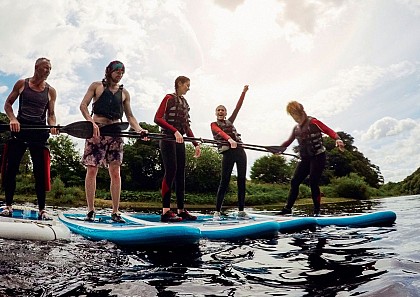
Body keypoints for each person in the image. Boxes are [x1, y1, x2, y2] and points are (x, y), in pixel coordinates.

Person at [80, 60, 147, 223]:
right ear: (109, 71)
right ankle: (90, 210)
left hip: (116, 132)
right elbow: (83, 106)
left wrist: (139, 130)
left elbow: (130, 116)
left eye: (122, 71)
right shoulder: (96, 86)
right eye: (117, 70)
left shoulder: (124, 93)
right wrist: (91, 122)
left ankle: (115, 212)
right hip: (97, 132)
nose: (120, 73)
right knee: (92, 170)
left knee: (116, 173)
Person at [1, 57, 58, 220]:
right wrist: (13, 119)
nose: (48, 71)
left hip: (39, 133)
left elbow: (51, 115)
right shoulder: (22, 84)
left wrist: (52, 126)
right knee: (11, 168)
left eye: (50, 69)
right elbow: (8, 104)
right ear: (36, 67)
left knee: (40, 173)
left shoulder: (51, 91)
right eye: (46, 68)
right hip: (20, 129)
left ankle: (42, 210)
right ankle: (8, 206)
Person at [277, 101, 344, 216]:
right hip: (305, 159)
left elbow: (328, 130)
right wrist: (277, 149)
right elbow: (287, 142)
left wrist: (337, 139)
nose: (294, 118)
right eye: (292, 115)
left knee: (313, 181)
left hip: (318, 156)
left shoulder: (313, 122)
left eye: (295, 114)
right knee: (294, 182)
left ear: (301, 112)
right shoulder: (296, 129)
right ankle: (287, 209)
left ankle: (317, 211)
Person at [154, 76, 201, 222]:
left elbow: (186, 126)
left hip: (179, 141)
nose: (188, 87)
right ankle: (166, 211)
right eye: (187, 85)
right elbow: (157, 118)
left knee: (181, 174)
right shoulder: (168, 98)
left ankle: (181, 210)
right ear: (179, 84)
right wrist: (174, 131)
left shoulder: (185, 103)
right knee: (171, 171)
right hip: (167, 138)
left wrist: (195, 144)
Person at [210, 85, 249, 220]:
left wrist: (243, 92)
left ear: (225, 113)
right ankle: (217, 211)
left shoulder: (230, 121)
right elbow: (220, 132)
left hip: (240, 151)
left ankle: (241, 211)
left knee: (241, 181)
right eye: (218, 110)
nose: (221, 112)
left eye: (223, 110)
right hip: (228, 153)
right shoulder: (213, 124)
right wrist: (229, 139)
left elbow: (238, 107)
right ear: (216, 113)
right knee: (224, 181)